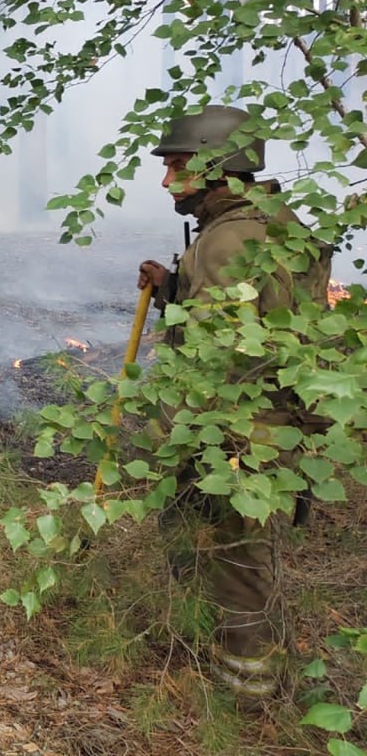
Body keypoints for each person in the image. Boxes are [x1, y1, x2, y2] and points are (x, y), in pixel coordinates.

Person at [136, 105, 331, 703]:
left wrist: (162, 439)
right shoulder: (267, 222)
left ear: (219, 166)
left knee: (232, 556)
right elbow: (260, 315)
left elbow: (217, 358)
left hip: (239, 433)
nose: (168, 181)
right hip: (267, 423)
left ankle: (243, 696)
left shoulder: (229, 237)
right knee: (229, 549)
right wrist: (172, 288)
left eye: (177, 166)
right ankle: (214, 654)